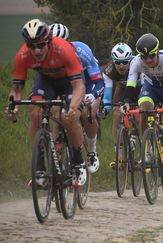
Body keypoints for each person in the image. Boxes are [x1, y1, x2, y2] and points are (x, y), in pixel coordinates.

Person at [4, 19, 86, 186]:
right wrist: (13, 107)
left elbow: (79, 86)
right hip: (46, 81)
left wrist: (72, 107)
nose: (36, 50)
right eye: (31, 46)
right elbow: (17, 90)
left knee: (71, 117)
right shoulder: (22, 55)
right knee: (35, 112)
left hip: (70, 82)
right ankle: (40, 168)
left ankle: (78, 162)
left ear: (48, 41)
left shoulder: (63, 49)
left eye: (40, 45)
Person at [123, 33, 163, 184]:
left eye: (151, 56)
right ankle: (147, 145)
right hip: (152, 88)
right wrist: (127, 103)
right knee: (143, 110)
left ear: (157, 52)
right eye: (144, 57)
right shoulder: (136, 62)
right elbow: (130, 84)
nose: (148, 60)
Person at [49, 23, 104, 174]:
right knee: (56, 114)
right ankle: (56, 160)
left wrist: (93, 94)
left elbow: (98, 80)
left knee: (88, 113)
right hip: (66, 83)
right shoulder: (47, 56)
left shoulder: (81, 50)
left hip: (87, 81)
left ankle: (91, 150)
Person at [101, 43, 140, 168]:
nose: (121, 65)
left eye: (124, 62)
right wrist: (106, 108)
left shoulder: (138, 64)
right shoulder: (108, 70)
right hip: (122, 89)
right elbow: (107, 94)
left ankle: (135, 136)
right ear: (113, 61)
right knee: (117, 113)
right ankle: (119, 154)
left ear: (130, 60)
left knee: (139, 114)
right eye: (118, 62)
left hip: (139, 88)